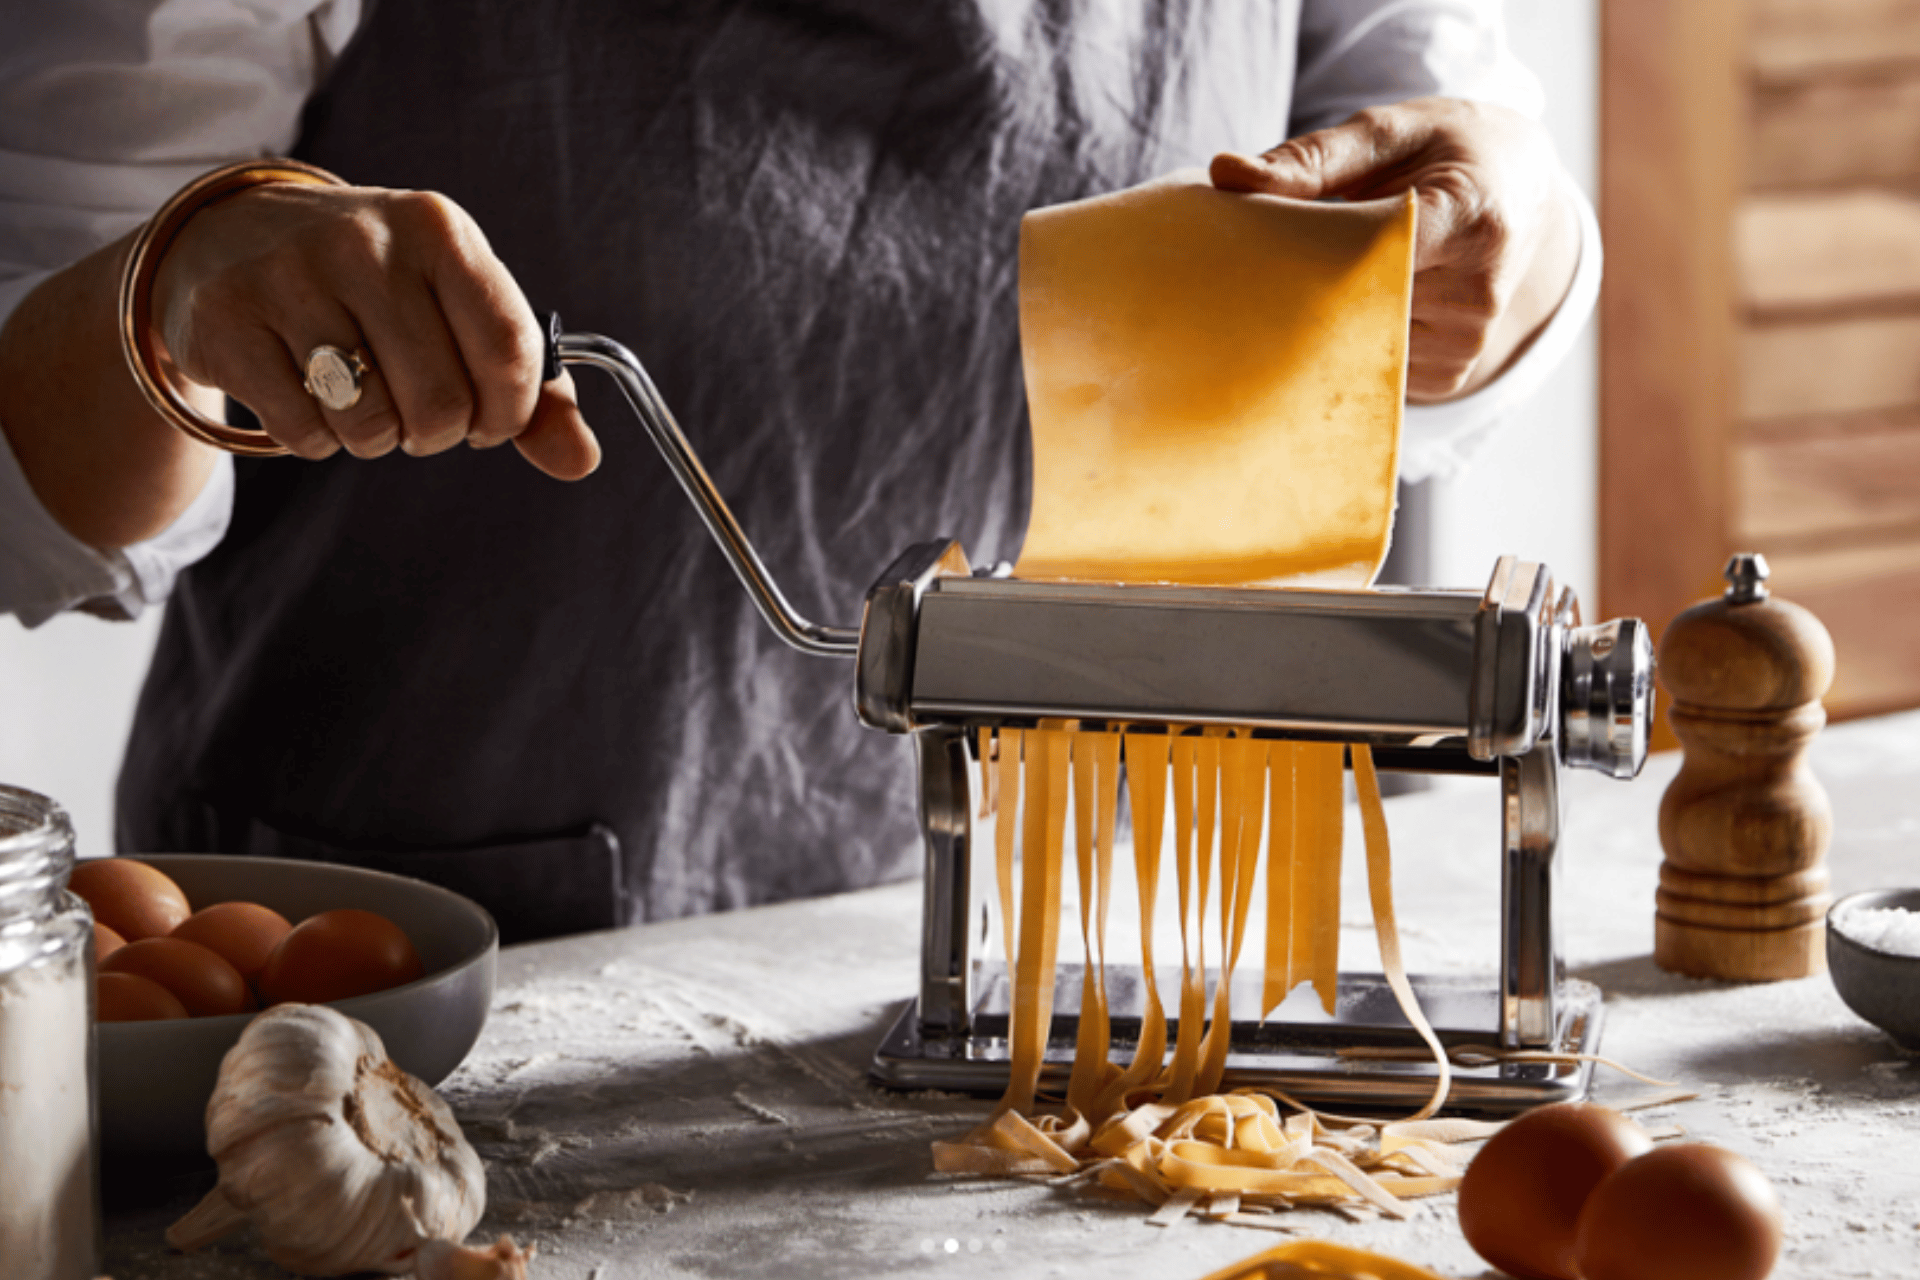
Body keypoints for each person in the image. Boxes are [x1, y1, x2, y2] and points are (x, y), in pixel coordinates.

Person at [0, 1, 1597, 941]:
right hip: (427, 959)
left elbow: (1450, 155)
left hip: (1105, 931)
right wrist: (180, 278)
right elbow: (27, 474)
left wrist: (1522, 239)